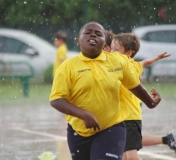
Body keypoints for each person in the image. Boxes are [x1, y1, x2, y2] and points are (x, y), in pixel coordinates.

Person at [49, 21, 161, 160]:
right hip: (78, 132)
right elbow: (56, 100)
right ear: (78, 41)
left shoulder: (118, 61)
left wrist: (151, 102)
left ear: (105, 44)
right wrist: (84, 115)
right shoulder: (67, 67)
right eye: (88, 32)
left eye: (98, 34)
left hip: (112, 127)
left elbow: (134, 85)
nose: (93, 35)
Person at [111, 32, 176, 159]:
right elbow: (145, 62)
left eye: (116, 49)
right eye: (111, 48)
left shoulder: (125, 67)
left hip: (129, 118)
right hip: (124, 117)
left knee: (130, 156)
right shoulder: (133, 66)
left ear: (128, 53)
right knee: (123, 156)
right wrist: (156, 58)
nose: (111, 52)